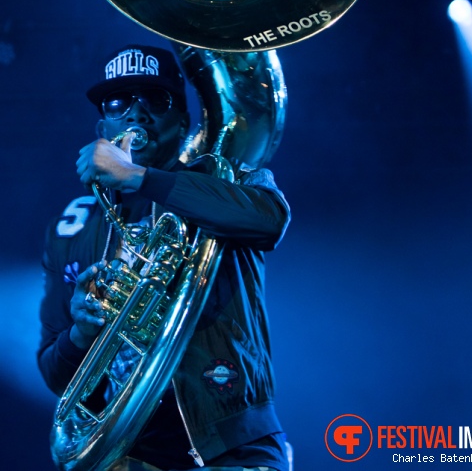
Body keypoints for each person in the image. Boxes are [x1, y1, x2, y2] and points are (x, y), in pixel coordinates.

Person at [38, 44, 291, 471]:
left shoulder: (225, 179)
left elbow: (268, 220)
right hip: (130, 453)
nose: (136, 114)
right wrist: (80, 334)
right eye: (118, 102)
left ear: (184, 121)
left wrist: (137, 176)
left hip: (233, 444)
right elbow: (54, 375)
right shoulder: (72, 230)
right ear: (103, 126)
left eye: (157, 99)